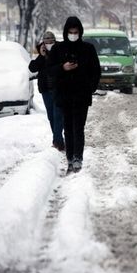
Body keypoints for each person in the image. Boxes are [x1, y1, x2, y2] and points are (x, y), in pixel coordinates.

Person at [50, 17, 101, 173]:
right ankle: (70, 158)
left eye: (76, 32)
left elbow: (96, 71)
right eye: (70, 32)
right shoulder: (58, 49)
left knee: (78, 127)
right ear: (66, 32)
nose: (73, 34)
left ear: (80, 32)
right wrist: (62, 67)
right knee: (68, 127)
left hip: (81, 95)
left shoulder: (88, 49)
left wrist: (90, 88)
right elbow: (49, 70)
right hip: (64, 95)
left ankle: (78, 158)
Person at [28, 31, 65, 151]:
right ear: (43, 43)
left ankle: (57, 141)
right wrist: (41, 55)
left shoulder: (60, 50)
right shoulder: (41, 53)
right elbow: (32, 67)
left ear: (55, 41)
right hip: (46, 90)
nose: (49, 44)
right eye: (47, 42)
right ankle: (59, 139)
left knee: (58, 115)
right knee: (51, 116)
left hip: (59, 88)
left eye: (51, 42)